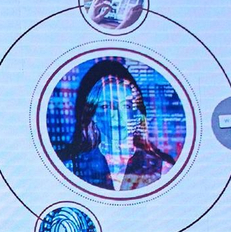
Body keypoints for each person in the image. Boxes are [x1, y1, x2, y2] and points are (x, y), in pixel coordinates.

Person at [54, 59, 177, 192]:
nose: (117, 115)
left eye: (126, 106)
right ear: (93, 115)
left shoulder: (163, 169)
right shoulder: (71, 167)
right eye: (106, 106)